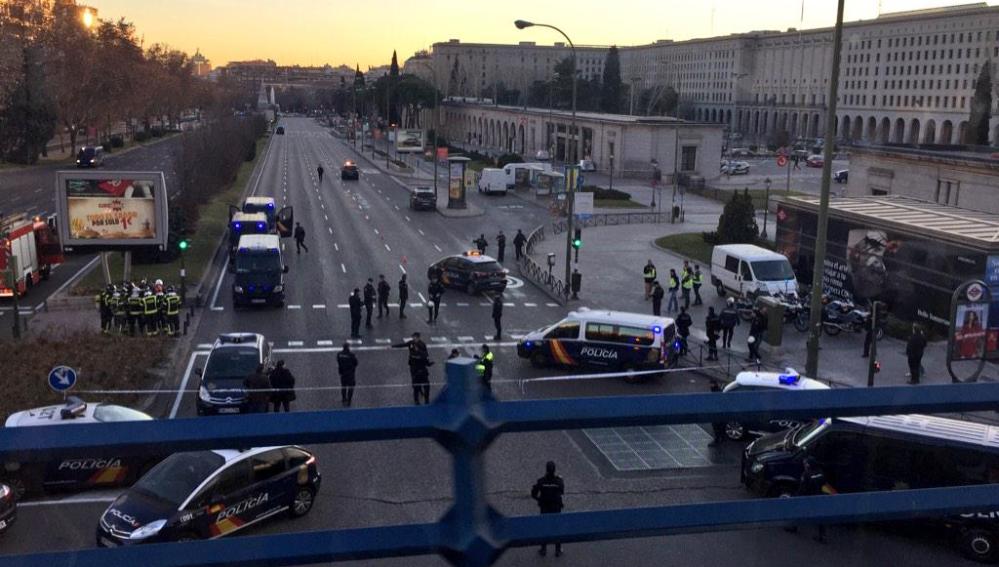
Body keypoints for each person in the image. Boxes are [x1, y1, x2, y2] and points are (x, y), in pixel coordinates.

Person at [786, 457, 830, 542]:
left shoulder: (806, 474)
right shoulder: (820, 471)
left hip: (808, 497)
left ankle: (793, 527)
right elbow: (823, 482)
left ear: (808, 464)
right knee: (820, 516)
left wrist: (796, 497)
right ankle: (822, 536)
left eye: (805, 463)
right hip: (818, 496)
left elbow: (802, 488)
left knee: (798, 510)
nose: (804, 465)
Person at [531, 461, 565, 557]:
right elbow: (562, 491)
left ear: (546, 469)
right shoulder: (559, 481)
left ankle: (543, 549)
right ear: (554, 470)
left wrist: (539, 499)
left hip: (545, 507)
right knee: (557, 527)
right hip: (556, 507)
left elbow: (533, 493)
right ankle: (558, 550)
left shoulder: (541, 481)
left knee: (544, 527)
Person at [393, 332, 433, 404]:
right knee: (415, 384)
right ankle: (416, 400)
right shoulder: (411, 343)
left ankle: (426, 400)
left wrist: (419, 351)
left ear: (418, 337)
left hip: (421, 365)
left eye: (415, 337)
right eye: (413, 337)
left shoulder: (422, 344)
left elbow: (425, 354)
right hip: (413, 366)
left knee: (426, 385)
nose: (413, 338)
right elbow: (403, 345)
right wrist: (392, 346)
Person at [337, 343, 358, 407]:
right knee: (351, 387)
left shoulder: (339, 354)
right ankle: (349, 400)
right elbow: (356, 363)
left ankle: (343, 398)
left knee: (343, 386)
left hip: (343, 372)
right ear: (348, 347)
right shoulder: (351, 355)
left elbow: (338, 361)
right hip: (350, 373)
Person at [707, 380, 725, 446]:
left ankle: (718, 439)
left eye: (711, 384)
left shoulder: (716, 391)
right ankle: (721, 438)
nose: (710, 385)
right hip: (719, 411)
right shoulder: (717, 390)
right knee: (719, 426)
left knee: (716, 426)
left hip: (717, 412)